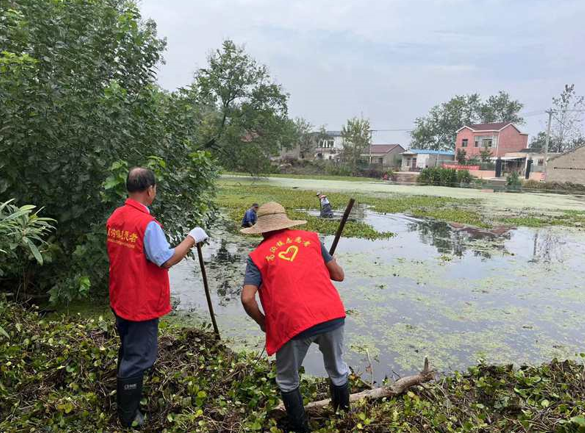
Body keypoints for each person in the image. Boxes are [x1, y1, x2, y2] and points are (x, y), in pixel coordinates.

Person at [106, 167, 208, 428]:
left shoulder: (116, 216)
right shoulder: (147, 224)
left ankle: (125, 401)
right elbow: (166, 259)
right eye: (155, 188)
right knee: (138, 356)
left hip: (120, 296)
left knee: (128, 347)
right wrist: (192, 238)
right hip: (140, 302)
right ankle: (128, 416)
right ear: (150, 190)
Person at [240, 202, 349, 432]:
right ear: (285, 221)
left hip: (292, 323)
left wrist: (263, 322)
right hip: (331, 314)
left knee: (288, 380)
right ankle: (344, 419)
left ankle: (301, 429)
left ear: (261, 229)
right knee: (338, 368)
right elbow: (338, 275)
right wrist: (330, 260)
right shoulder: (312, 239)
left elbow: (247, 299)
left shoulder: (257, 256)